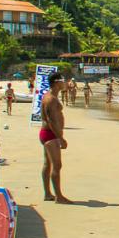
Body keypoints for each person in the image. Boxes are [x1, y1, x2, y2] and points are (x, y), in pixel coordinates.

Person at [39, 71, 71, 203]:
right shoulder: (51, 99)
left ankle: (48, 194)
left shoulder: (50, 96)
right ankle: (59, 196)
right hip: (50, 134)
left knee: (48, 164)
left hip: (48, 134)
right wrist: (60, 138)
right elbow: (51, 120)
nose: (65, 83)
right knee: (57, 165)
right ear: (57, 82)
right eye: (63, 81)